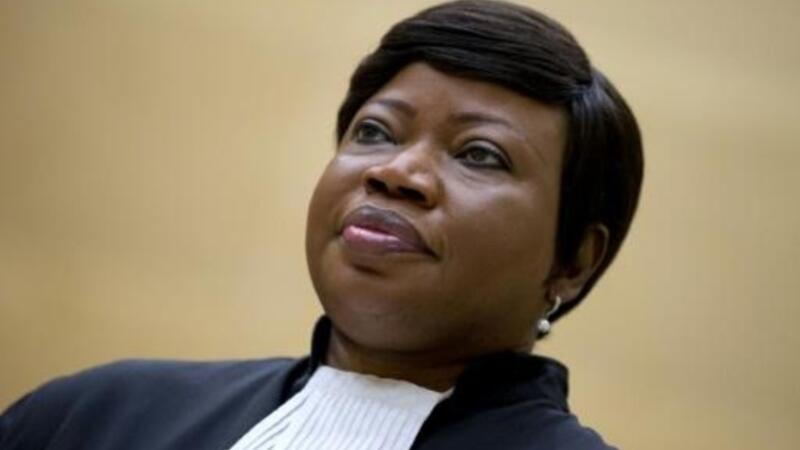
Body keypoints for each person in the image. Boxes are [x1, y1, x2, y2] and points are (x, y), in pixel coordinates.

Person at [0, 1, 643, 449]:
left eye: (479, 154)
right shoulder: (94, 419)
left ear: (573, 261)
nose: (396, 172)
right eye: (375, 132)